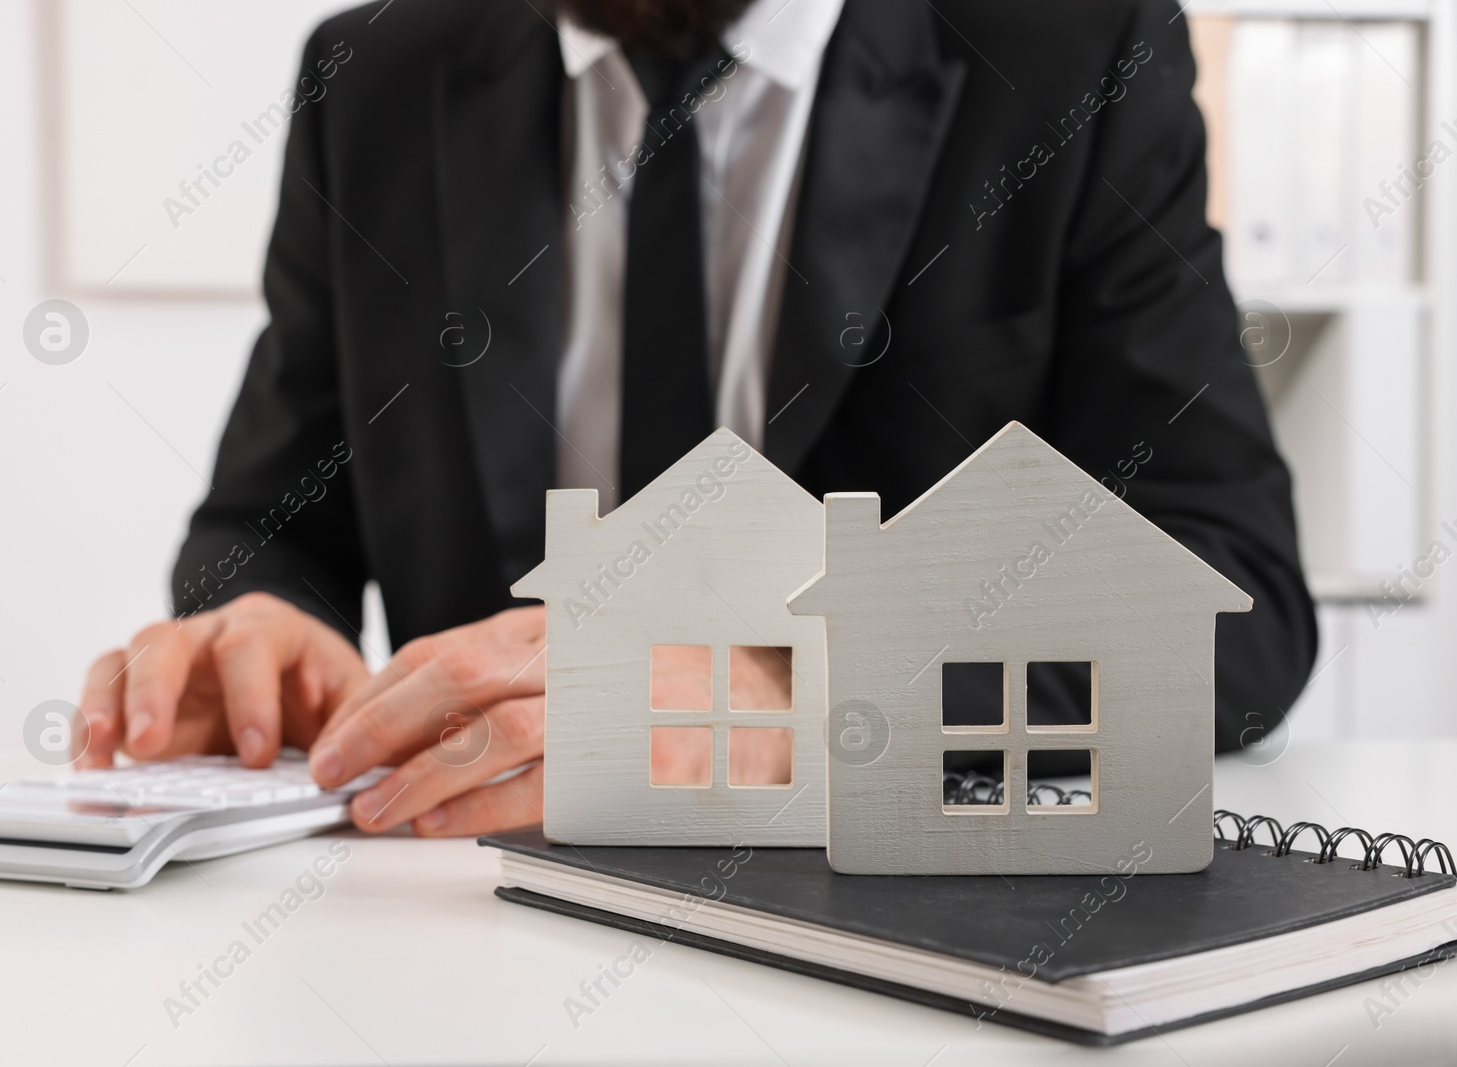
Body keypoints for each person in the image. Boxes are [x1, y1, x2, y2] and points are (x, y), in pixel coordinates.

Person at [74, 0, 1318, 836]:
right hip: (458, 923)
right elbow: (271, 517)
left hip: (882, 946)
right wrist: (268, 629)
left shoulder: (1066, 49)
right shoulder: (378, 77)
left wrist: (803, 700)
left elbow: (1235, 598)